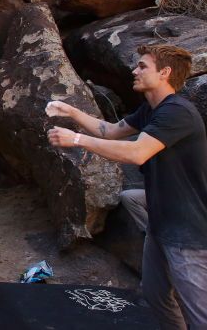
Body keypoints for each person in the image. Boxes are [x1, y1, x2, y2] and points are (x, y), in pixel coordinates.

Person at [47, 45, 207, 330]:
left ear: (165, 73)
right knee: (156, 296)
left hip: (189, 232)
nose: (134, 70)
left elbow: (137, 153)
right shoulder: (151, 110)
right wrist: (71, 111)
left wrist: (76, 140)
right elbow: (109, 130)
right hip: (162, 223)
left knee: (199, 314)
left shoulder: (177, 113)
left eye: (143, 66)